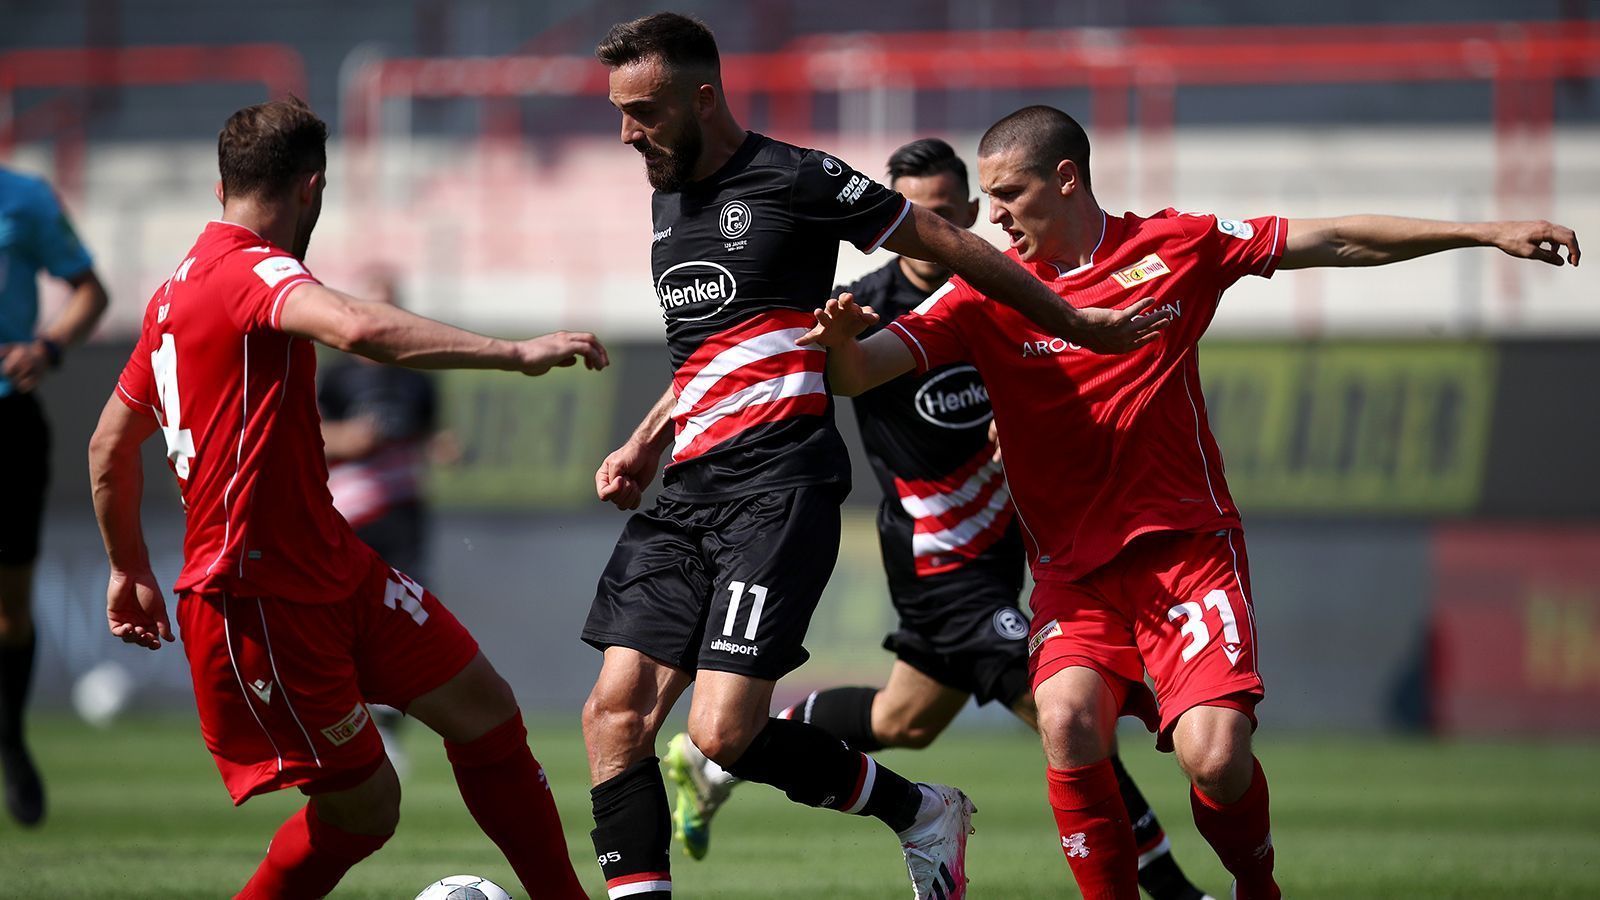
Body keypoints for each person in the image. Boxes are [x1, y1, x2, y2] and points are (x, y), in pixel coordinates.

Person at [800, 105, 1580, 900]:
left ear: (1066, 180)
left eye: (1009, 193)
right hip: (1076, 578)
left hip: (1187, 557)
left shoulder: (1173, 246)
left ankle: (1256, 885)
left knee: (1216, 757)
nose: (991, 216)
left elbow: (1335, 238)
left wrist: (1484, 232)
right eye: (989, 197)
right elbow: (859, 374)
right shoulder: (984, 294)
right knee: (1065, 720)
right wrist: (836, 344)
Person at [582, 15, 1162, 900]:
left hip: (777, 489)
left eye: (646, 111)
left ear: (704, 96)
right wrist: (644, 438)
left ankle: (922, 812)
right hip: (686, 487)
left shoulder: (796, 177)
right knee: (613, 716)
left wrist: (1071, 319)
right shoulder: (667, 195)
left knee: (722, 734)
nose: (630, 133)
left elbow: (949, 243)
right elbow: (711, 355)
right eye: (621, 112)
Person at [661, 138, 1213, 900]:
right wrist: (643, 440)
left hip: (1004, 553)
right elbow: (728, 362)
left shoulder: (1008, 289)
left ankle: (714, 760)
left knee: (903, 718)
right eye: (915, 211)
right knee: (1067, 717)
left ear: (969, 215)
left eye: (948, 213)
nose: (932, 224)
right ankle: (1183, 894)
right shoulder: (865, 308)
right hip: (935, 557)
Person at [87, 97, 602, 899]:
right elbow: (357, 329)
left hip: (334, 565)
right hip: (259, 593)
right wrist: (515, 351)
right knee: (367, 811)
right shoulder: (255, 269)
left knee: (487, 711)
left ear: (220, 187)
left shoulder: (170, 297)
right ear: (311, 189)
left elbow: (109, 447)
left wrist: (128, 569)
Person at [0, 165, 109, 826]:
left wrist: (48, 346)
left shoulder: (26, 198)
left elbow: (91, 292)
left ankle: (11, 742)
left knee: (10, 606)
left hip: (9, 420)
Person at [319, 268, 458, 774]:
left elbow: (426, 435)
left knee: (406, 614)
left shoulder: (415, 377)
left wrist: (440, 448)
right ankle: (345, 729)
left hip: (403, 511)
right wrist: (348, 438)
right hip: (351, 512)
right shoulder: (336, 377)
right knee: (345, 622)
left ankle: (390, 726)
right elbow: (310, 436)